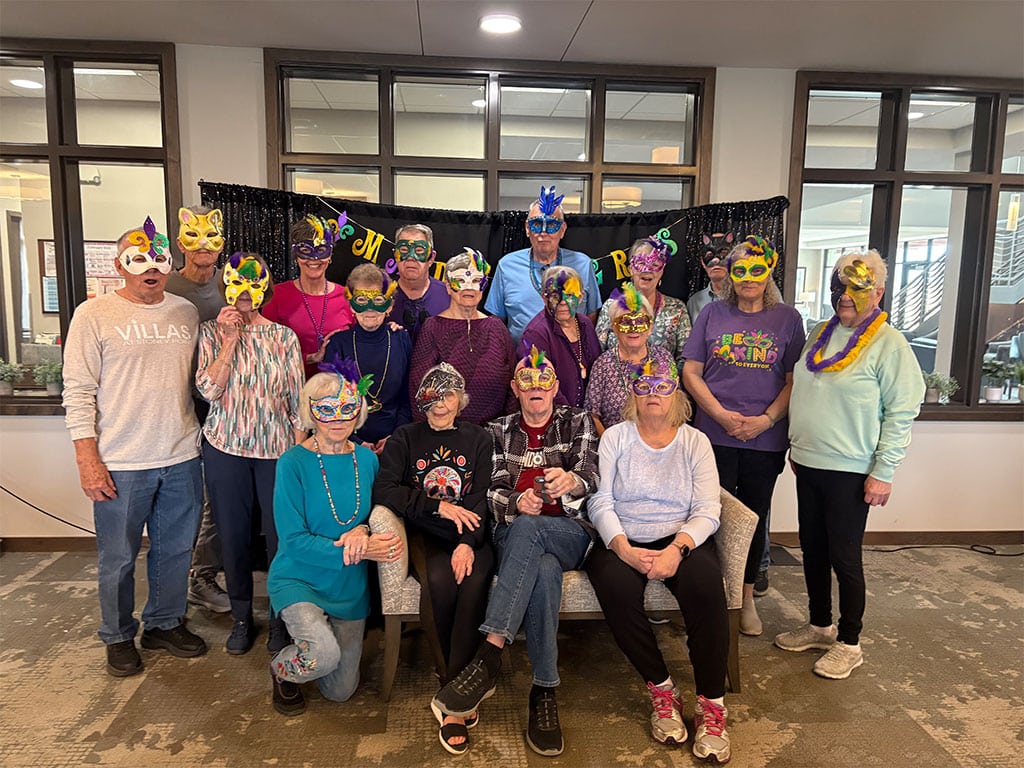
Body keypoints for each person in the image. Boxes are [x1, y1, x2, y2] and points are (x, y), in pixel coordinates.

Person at [431, 348, 599, 758]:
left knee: (535, 535)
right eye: (528, 382)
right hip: (517, 538)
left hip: (570, 532)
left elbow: (594, 475)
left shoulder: (577, 421)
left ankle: (489, 654)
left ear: (556, 387)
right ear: (515, 388)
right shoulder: (496, 430)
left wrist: (572, 481)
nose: (537, 389)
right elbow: (487, 491)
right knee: (539, 564)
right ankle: (544, 692)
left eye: (545, 382)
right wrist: (515, 502)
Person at [63, 216, 207, 677]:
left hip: (182, 453)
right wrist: (87, 457)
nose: (150, 268)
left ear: (170, 264)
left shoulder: (184, 311)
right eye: (138, 259)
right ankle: (118, 633)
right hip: (121, 459)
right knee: (119, 555)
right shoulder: (94, 314)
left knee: (175, 549)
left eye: (158, 259)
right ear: (119, 264)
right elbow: (78, 389)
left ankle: (163, 623)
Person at [776, 250, 924, 680]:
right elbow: (806, 390)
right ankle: (820, 625)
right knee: (813, 550)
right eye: (841, 285)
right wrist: (797, 445)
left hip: (852, 469)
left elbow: (902, 411)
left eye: (858, 287)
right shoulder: (821, 331)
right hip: (809, 461)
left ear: (877, 292)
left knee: (844, 556)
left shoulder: (888, 342)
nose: (846, 295)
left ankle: (850, 641)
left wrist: (884, 472)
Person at [585, 358, 732, 764]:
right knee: (615, 588)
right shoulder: (615, 437)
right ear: (633, 392)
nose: (653, 393)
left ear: (676, 395)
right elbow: (601, 498)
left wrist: (677, 550)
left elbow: (708, 509)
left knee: (705, 588)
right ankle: (663, 689)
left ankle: (711, 703)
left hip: (680, 537)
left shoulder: (694, 441)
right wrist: (621, 546)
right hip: (623, 535)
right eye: (645, 385)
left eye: (663, 386)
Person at [681, 235, 805, 637]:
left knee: (751, 520)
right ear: (729, 275)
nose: (748, 278)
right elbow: (691, 372)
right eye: (740, 271)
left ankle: (745, 597)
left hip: (763, 439)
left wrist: (766, 420)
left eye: (756, 269)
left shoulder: (787, 319)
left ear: (769, 270)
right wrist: (718, 414)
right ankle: (706, 596)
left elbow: (793, 379)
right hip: (713, 436)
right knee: (706, 515)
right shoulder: (711, 314)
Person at [267, 360, 403, 715]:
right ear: (311, 412)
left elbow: (376, 514)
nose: (338, 418)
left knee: (340, 691)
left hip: (348, 588)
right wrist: (357, 549)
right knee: (321, 657)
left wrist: (364, 530)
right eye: (326, 409)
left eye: (347, 408)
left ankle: (317, 643)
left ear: (359, 410)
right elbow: (293, 540)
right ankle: (281, 669)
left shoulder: (366, 459)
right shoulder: (292, 463)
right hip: (299, 578)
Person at [373, 364, 495, 754]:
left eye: (449, 394)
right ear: (421, 399)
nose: (440, 403)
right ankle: (451, 682)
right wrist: (437, 507)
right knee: (441, 583)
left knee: (474, 581)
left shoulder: (479, 437)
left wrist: (467, 542)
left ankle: (460, 687)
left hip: (471, 534)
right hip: (425, 533)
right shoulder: (405, 438)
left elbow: (482, 497)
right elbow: (386, 489)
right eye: (432, 394)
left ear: (461, 399)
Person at [195, 253, 305, 655]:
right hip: (226, 447)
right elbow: (208, 390)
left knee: (280, 540)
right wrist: (229, 340)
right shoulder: (210, 333)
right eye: (236, 283)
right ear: (226, 285)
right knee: (234, 537)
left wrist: (296, 458)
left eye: (253, 284)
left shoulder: (283, 338)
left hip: (276, 451)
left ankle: (280, 619)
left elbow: (297, 404)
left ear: (265, 288)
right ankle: (242, 616)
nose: (245, 292)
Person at [166, 204, 231, 616]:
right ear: (179, 241)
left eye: (211, 237)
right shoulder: (166, 287)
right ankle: (187, 584)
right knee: (187, 501)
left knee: (217, 499)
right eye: (194, 238)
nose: (203, 246)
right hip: (176, 406)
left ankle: (202, 575)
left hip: (226, 407)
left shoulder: (235, 285)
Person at [409, 247, 516, 425]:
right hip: (445, 433)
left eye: (476, 281)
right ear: (448, 286)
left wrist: (506, 429)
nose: (469, 288)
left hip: (493, 435)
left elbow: (513, 384)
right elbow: (419, 388)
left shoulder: (496, 327)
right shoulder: (433, 328)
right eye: (460, 280)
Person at [484, 186, 601, 344]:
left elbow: (592, 315)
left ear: (563, 230)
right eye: (536, 224)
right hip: (522, 361)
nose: (543, 233)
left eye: (552, 225)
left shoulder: (582, 264)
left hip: (571, 359)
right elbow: (496, 321)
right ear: (527, 229)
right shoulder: (507, 266)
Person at [324, 263, 412, 454]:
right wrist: (355, 441)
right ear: (351, 305)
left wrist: (395, 437)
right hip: (346, 443)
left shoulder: (401, 339)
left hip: (394, 444)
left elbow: (407, 397)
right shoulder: (338, 344)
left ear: (390, 304)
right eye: (362, 299)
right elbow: (330, 400)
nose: (370, 308)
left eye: (378, 299)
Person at [261, 214, 355, 377]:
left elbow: (359, 343)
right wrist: (312, 357)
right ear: (296, 256)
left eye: (321, 250)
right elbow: (267, 352)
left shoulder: (346, 296)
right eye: (305, 250)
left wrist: (388, 328)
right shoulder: (277, 296)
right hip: (291, 391)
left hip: (336, 394)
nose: (314, 258)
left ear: (330, 254)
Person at [587, 282, 675, 435]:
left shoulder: (664, 358)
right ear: (614, 328)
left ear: (650, 327)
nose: (633, 329)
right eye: (625, 323)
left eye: (640, 322)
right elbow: (592, 415)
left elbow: (675, 406)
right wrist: (609, 445)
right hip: (615, 449)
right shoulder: (602, 365)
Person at [596, 236, 691, 366]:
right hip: (617, 381)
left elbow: (685, 359)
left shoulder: (677, 308)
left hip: (663, 382)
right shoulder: (612, 306)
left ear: (662, 271)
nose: (648, 270)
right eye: (641, 263)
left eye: (655, 264)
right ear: (630, 270)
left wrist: (669, 381)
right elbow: (598, 351)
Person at [518, 265, 601, 408]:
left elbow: (598, 371)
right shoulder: (535, 334)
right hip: (557, 417)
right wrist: (573, 419)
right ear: (545, 298)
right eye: (555, 296)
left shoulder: (585, 324)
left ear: (580, 298)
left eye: (569, 295)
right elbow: (539, 387)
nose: (563, 302)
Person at [388, 223, 450, 345]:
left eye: (419, 251)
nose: (411, 257)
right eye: (404, 250)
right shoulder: (380, 295)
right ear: (396, 255)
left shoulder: (449, 296)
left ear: (431, 257)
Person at [686, 232, 733, 324]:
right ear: (703, 263)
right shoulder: (694, 302)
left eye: (723, 253)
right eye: (709, 255)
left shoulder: (745, 297)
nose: (715, 261)